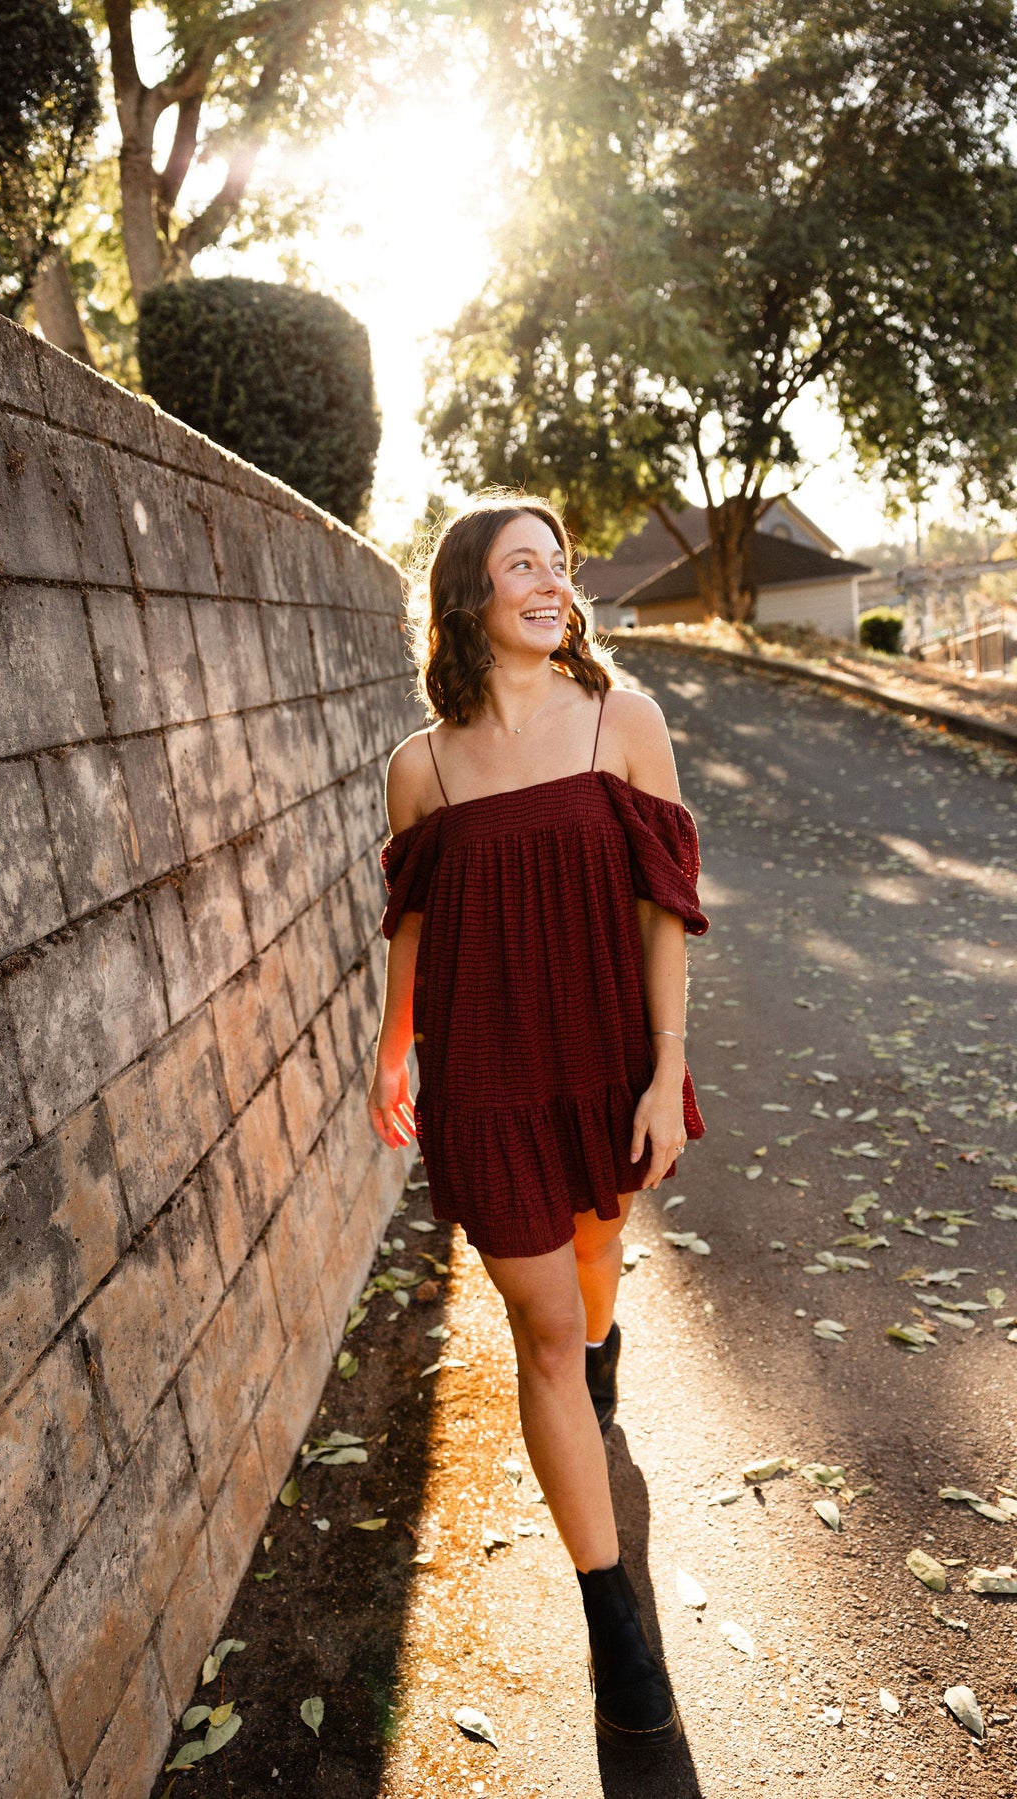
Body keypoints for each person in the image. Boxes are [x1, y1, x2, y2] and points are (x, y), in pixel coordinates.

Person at [366, 492, 708, 1746]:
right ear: (469, 596)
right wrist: (393, 1044)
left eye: (559, 565)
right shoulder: (424, 765)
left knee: (595, 1261)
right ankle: (611, 1617)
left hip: (603, 1052)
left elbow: (666, 903)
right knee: (545, 1330)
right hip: (485, 1075)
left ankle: (604, 1354)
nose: (553, 581)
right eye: (524, 564)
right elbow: (413, 916)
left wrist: (665, 1065)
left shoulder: (627, 722)